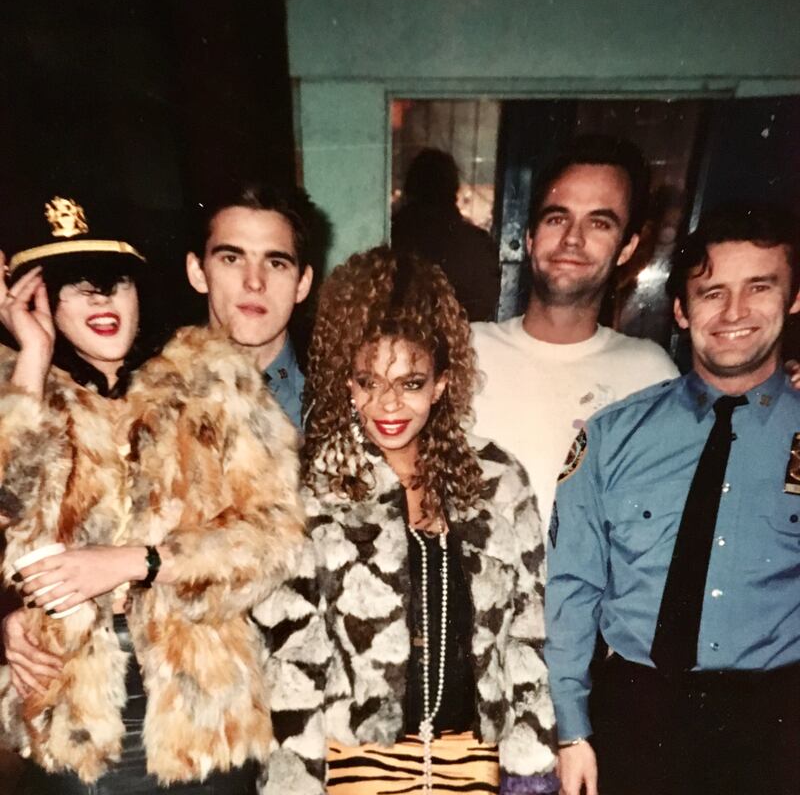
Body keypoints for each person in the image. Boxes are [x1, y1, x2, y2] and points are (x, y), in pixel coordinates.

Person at [0, 196, 305, 793]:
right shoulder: (22, 395)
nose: (101, 301)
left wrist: (141, 562)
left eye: (114, 283)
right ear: (38, 304)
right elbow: (9, 519)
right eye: (72, 287)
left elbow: (275, 538)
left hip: (205, 707)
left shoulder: (212, 380)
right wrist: (32, 363)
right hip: (73, 710)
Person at [545, 204, 800, 795]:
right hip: (638, 711)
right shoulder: (610, 435)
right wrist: (572, 731)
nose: (734, 313)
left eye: (758, 288)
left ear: (791, 298)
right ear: (681, 311)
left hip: (775, 721)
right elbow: (573, 586)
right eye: (711, 293)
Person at [295, 246, 558, 794]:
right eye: (369, 381)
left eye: (411, 383)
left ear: (440, 384)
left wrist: (529, 765)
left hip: (472, 761)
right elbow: (295, 658)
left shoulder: (498, 482)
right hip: (359, 764)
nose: (388, 405)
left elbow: (530, 635)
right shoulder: (316, 490)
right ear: (348, 383)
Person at [471, 135, 678, 533]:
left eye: (599, 222)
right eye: (556, 217)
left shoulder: (651, 374)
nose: (572, 238)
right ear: (530, 237)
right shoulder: (464, 349)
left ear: (627, 247)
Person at [186, 182, 315, 428]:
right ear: (198, 272)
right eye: (232, 259)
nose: (254, 282)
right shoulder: (153, 394)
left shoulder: (346, 400)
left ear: (302, 284)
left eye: (276, 263)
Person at [392, 148, 500, 322]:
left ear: (410, 187)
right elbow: (485, 304)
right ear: (453, 189)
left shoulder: (391, 234)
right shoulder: (477, 244)